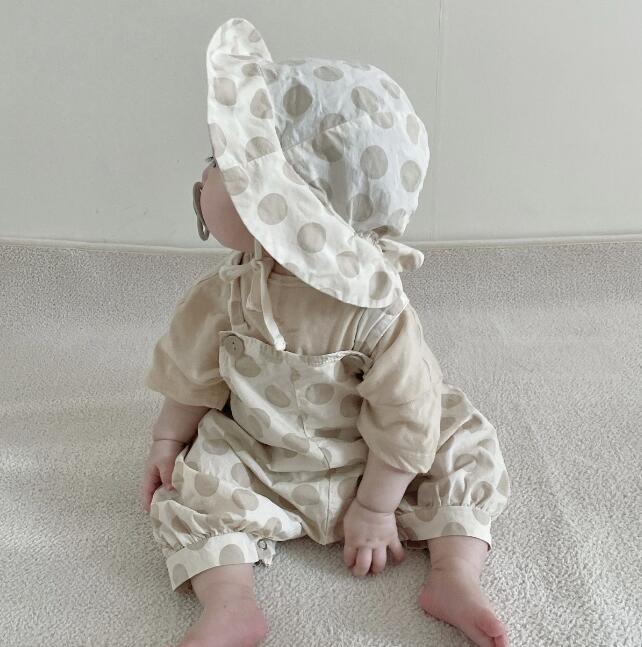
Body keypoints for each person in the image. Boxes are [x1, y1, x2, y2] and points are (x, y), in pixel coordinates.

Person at [139, 17, 511, 647]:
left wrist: (376, 506)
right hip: (263, 451)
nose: (204, 178)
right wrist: (169, 438)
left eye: (222, 164)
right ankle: (231, 604)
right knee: (202, 477)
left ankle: (454, 574)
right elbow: (191, 373)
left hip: (373, 462)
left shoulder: (377, 310)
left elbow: (409, 414)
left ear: (279, 209)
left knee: (459, 442)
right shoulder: (231, 290)